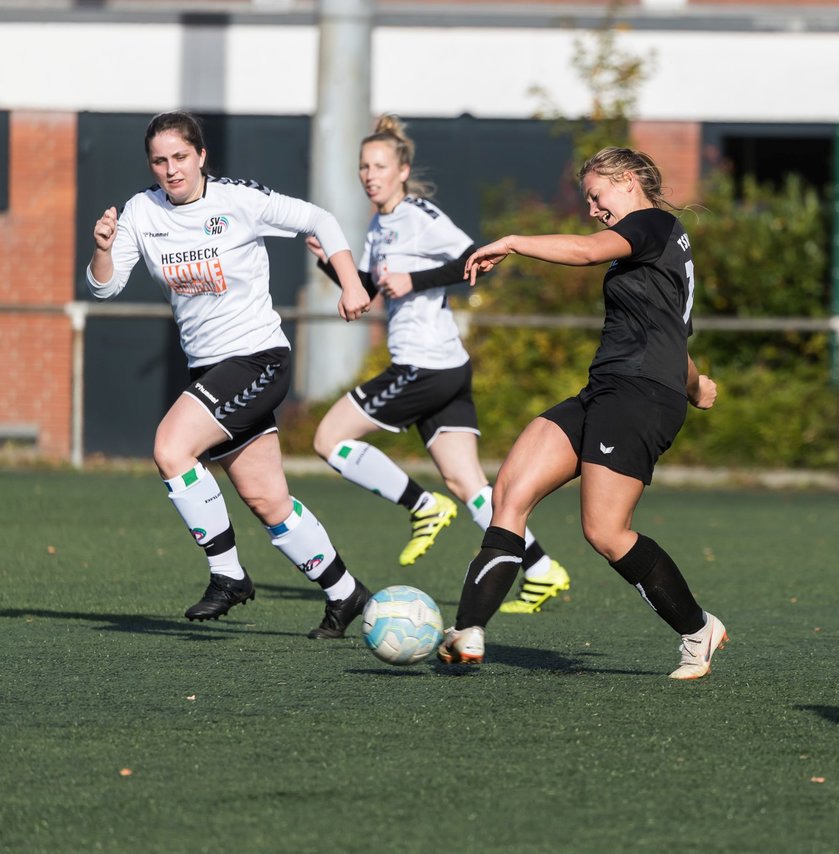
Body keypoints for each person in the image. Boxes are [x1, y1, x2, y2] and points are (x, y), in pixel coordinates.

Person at [436, 146, 727, 680]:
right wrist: (694, 386)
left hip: (638, 398)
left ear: (626, 180)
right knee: (510, 494)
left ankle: (698, 628)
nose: (592, 209)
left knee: (606, 532)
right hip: (606, 389)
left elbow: (586, 251)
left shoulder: (653, 223)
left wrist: (514, 242)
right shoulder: (651, 243)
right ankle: (469, 631)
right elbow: (672, 337)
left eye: (596, 195)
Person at [87, 110, 374, 639]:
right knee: (268, 500)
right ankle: (345, 592)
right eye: (159, 161)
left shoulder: (238, 200)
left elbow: (320, 220)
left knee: (171, 447)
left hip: (259, 358)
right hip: (211, 370)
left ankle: (228, 575)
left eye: (179, 157)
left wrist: (351, 284)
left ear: (200, 156)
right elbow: (105, 287)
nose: (170, 169)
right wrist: (103, 250)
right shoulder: (140, 213)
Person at [306, 114, 570, 613]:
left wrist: (416, 280)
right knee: (468, 484)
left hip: (424, 364)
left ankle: (421, 507)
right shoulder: (378, 225)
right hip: (444, 366)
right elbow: (365, 289)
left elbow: (476, 258)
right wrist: (327, 261)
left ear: (402, 170)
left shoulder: (418, 215)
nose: (369, 174)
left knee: (328, 439)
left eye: (379, 165)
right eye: (363, 166)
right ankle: (541, 569)